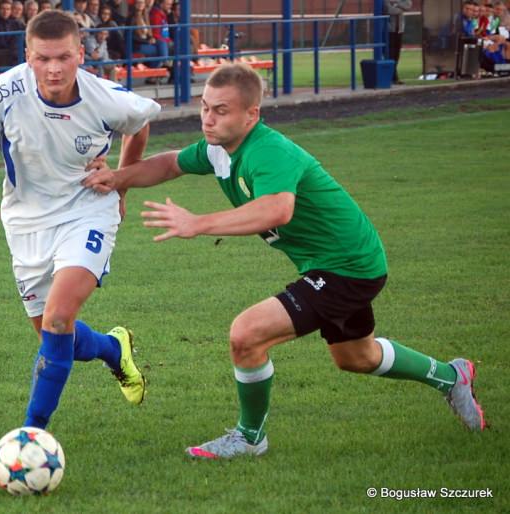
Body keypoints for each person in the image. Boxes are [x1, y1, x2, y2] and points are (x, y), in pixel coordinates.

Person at [82, 63, 486, 459]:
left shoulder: (267, 151)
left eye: (221, 111)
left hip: (346, 266)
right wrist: (118, 179)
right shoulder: (220, 149)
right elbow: (170, 162)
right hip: (333, 263)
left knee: (247, 334)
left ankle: (249, 437)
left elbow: (277, 210)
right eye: (205, 107)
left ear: (251, 114)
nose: (208, 119)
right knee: (356, 357)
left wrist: (198, 223)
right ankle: (452, 376)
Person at [0, 10, 160, 432]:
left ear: (80, 54)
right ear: (28, 55)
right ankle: (111, 348)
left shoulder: (106, 97)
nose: (54, 68)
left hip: (88, 209)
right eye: (44, 58)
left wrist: (120, 183)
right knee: (55, 339)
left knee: (58, 319)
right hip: (25, 223)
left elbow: (138, 127)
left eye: (64, 57)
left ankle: (33, 434)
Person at [383, 0, 411, 84]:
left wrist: (396, 3)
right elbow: (390, 11)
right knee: (390, 54)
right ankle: (392, 77)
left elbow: (408, 5)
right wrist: (401, 8)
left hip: (399, 31)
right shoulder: (386, 1)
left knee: (396, 55)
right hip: (390, 31)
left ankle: (394, 77)